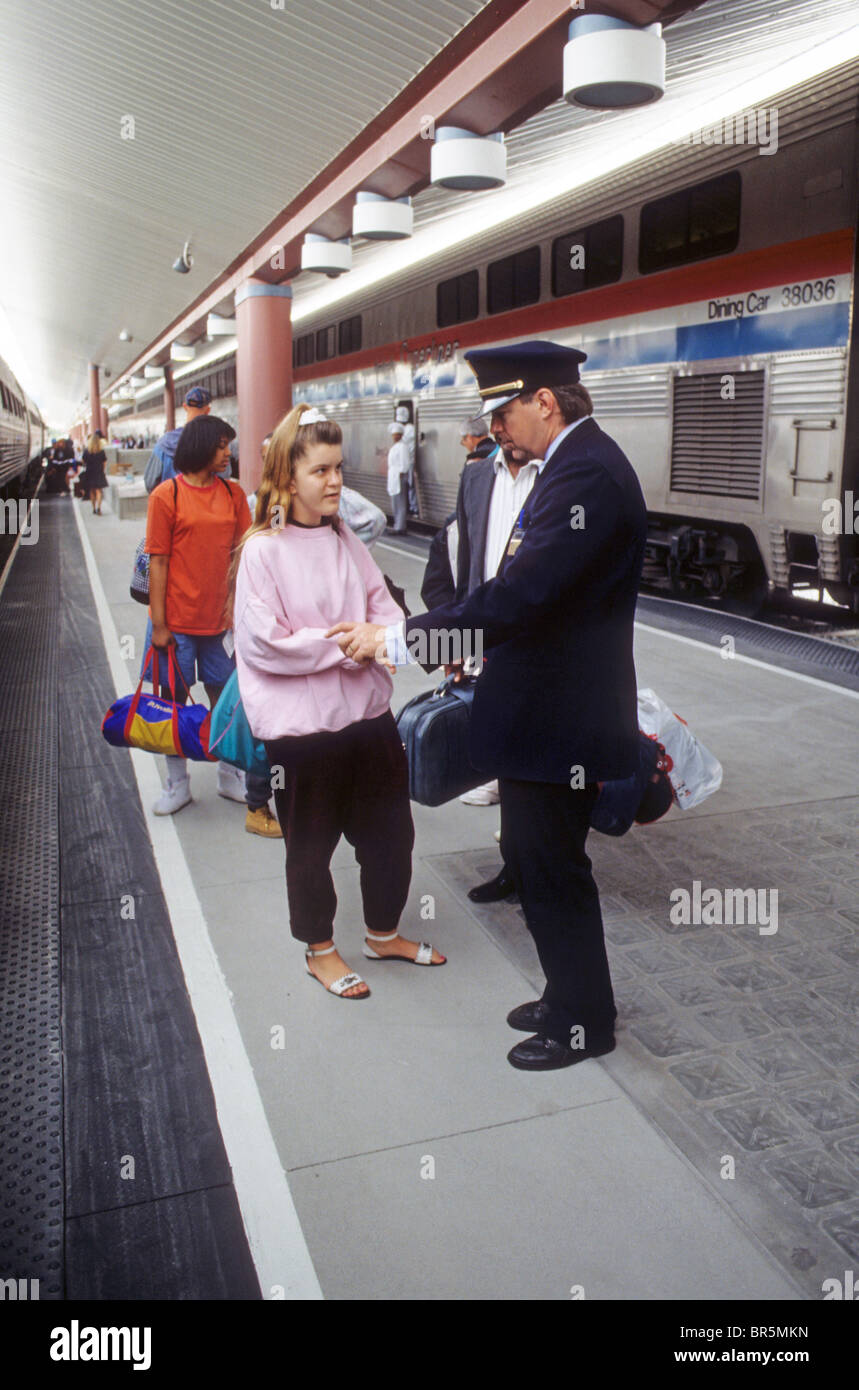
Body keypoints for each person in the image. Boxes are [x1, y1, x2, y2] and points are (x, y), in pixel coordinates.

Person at [329, 339, 647, 1070]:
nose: (494, 427)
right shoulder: (572, 465)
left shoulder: (584, 477)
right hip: (545, 711)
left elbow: (520, 594)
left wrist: (401, 640)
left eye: (504, 411)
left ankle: (580, 1022)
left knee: (551, 870)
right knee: (539, 866)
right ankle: (566, 992)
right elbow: (514, 593)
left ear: (545, 401)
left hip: (558, 718)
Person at [232, 404, 445, 1000]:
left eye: (338, 469)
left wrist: (372, 635)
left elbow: (385, 610)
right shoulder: (261, 551)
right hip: (302, 734)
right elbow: (265, 643)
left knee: (391, 836)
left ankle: (383, 933)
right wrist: (352, 644)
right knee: (310, 847)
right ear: (286, 477)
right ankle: (319, 951)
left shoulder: (344, 537)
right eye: (320, 470)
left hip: (367, 720)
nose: (334, 482)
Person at [144, 414, 279, 836]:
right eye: (222, 445)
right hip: (177, 624)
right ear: (202, 447)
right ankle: (177, 783)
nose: (228, 453)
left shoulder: (233, 493)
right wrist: (160, 624)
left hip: (222, 623)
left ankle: (228, 776)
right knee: (172, 704)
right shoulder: (166, 496)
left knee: (228, 701)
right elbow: (159, 562)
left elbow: (247, 552)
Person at [450, 415, 543, 875]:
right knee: (503, 747)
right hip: (486, 637)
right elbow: (468, 566)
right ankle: (512, 869)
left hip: (537, 641)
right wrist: (457, 643)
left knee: (534, 761)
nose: (503, 429)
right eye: (496, 421)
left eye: (509, 417)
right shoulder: (474, 475)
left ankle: (534, 874)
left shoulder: (556, 477)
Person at [144, 387, 226, 493]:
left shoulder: (164, 443)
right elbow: (223, 480)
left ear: (185, 407)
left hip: (171, 505)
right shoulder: (216, 444)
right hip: (206, 506)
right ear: (207, 410)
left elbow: (150, 483)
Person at [386, 421, 409, 534]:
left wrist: (401, 474)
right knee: (395, 502)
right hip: (393, 477)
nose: (395, 436)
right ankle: (396, 525)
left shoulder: (403, 447)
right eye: (393, 434)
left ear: (400, 435)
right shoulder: (395, 447)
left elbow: (405, 464)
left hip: (399, 477)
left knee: (400, 503)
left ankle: (400, 527)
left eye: (397, 434)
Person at [395, 405, 417, 513]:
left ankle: (413, 508)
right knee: (408, 485)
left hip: (410, 462)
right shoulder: (406, 428)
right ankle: (411, 507)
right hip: (405, 461)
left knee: (411, 485)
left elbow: (402, 442)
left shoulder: (410, 429)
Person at [81, 432, 108, 514]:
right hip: (99, 472)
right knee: (99, 491)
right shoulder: (101, 451)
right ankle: (99, 508)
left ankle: (93, 508)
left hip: (89, 472)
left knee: (91, 491)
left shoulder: (87, 451)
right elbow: (104, 463)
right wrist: (102, 470)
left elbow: (83, 461)